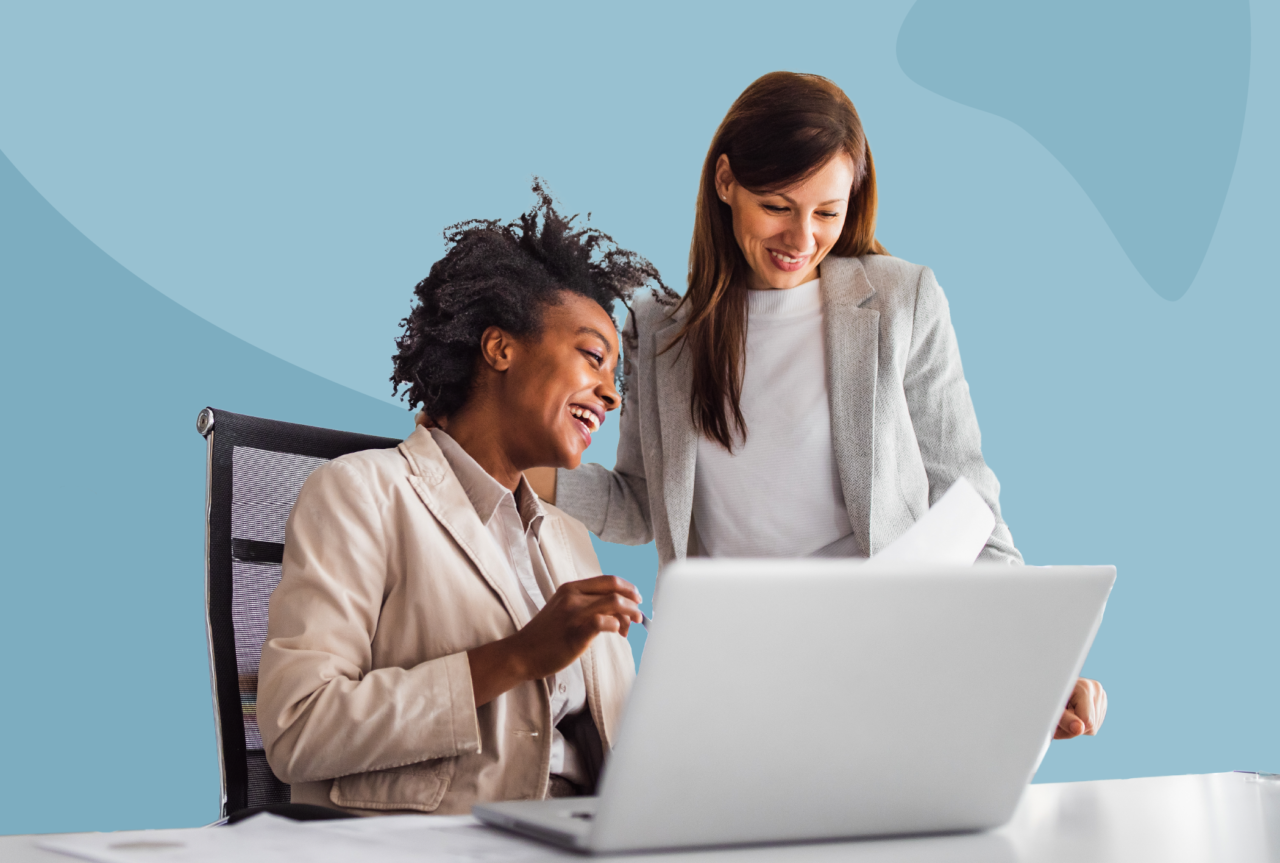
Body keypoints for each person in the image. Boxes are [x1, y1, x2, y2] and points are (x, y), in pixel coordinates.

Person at [527, 72, 1107, 741]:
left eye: (827, 212)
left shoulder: (901, 302)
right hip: (720, 680)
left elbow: (967, 506)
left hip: (879, 672)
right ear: (725, 183)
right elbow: (636, 504)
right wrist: (509, 460)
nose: (802, 236)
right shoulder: (661, 329)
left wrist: (1036, 657)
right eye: (778, 205)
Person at [257, 184, 662, 815]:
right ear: (500, 348)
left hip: (592, 837)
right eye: (592, 358)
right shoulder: (360, 493)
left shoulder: (568, 538)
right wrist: (518, 657)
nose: (610, 395)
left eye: (616, 378)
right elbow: (297, 730)